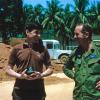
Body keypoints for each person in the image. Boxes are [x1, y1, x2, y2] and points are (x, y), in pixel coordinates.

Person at [5, 23, 53, 100]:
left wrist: (41, 75)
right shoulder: (16, 49)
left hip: (38, 91)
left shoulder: (43, 50)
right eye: (36, 32)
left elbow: (50, 68)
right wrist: (20, 76)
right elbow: (8, 69)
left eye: (40, 33)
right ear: (27, 32)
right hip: (20, 92)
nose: (39, 35)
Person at [63, 23, 100, 100]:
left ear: (86, 35)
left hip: (96, 96)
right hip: (79, 96)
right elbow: (66, 67)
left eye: (77, 34)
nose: (74, 37)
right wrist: (75, 76)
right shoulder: (75, 52)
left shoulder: (98, 51)